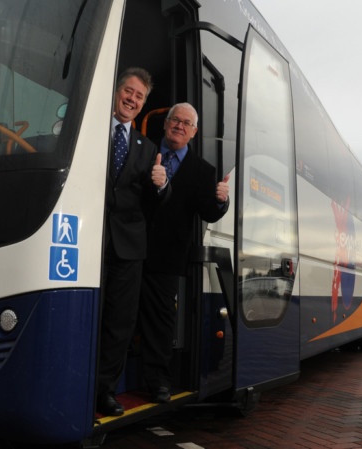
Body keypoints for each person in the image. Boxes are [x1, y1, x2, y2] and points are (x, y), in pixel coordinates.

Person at [138, 102, 229, 403]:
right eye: (174, 120)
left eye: (186, 123)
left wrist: (221, 201)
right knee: (119, 316)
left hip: (167, 258)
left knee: (161, 323)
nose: (179, 125)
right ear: (164, 125)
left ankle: (157, 382)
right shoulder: (143, 152)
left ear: (194, 132)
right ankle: (106, 384)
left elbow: (210, 214)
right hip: (128, 248)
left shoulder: (204, 172)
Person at [97, 68, 168, 417]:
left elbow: (154, 206)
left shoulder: (149, 148)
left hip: (128, 249)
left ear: (143, 104)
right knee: (88, 317)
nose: (132, 99)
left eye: (139, 96)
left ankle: (104, 391)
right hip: (88, 243)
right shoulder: (91, 131)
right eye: (129, 91)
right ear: (116, 92)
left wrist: (160, 184)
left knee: (118, 323)